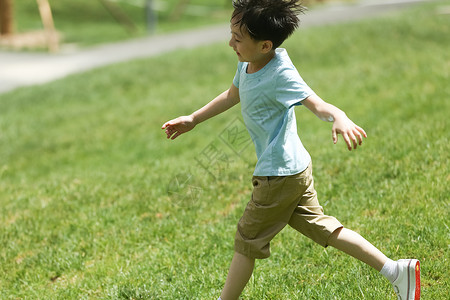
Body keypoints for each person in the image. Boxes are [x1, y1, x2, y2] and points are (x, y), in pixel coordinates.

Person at [161, 0, 420, 299]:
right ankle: (395, 271)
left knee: (247, 240)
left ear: (265, 45)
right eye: (231, 33)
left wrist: (339, 116)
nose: (230, 42)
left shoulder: (280, 73)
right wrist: (194, 118)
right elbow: (234, 94)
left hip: (278, 174)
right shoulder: (247, 63)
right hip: (293, 170)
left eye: (237, 37)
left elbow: (316, 103)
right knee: (323, 228)